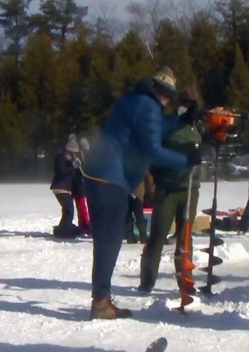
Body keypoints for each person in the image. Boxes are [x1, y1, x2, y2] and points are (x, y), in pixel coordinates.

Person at [82, 66, 201, 320]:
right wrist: (186, 160)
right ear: (159, 92)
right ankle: (100, 302)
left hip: (98, 173)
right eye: (167, 95)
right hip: (109, 176)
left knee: (106, 239)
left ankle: (101, 298)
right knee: (110, 239)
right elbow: (154, 149)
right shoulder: (148, 107)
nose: (168, 100)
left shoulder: (136, 100)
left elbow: (152, 130)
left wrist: (181, 120)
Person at [139, 89, 203, 294]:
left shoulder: (198, 125)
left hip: (190, 188)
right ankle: (147, 281)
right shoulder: (167, 124)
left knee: (185, 237)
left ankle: (186, 279)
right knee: (158, 234)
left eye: (191, 103)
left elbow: (215, 137)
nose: (187, 106)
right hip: (167, 188)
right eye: (185, 102)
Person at [51, 135, 82, 238]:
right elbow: (60, 172)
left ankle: (63, 228)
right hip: (60, 188)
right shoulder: (59, 158)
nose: (72, 155)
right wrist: (71, 166)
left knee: (67, 209)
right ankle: (65, 230)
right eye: (70, 152)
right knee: (69, 209)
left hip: (65, 188)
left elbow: (73, 176)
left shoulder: (69, 161)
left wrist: (77, 169)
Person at [72, 134, 91, 236]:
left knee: (83, 207)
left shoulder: (88, 158)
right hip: (79, 186)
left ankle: (85, 226)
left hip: (86, 186)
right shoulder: (77, 157)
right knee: (82, 207)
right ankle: (84, 226)